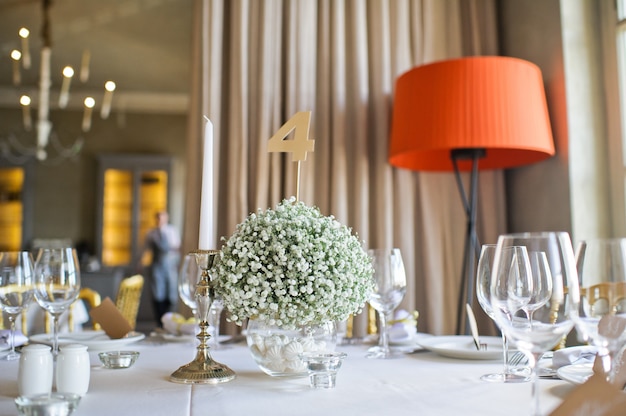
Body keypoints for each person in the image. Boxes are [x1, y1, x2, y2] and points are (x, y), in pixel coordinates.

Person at [142, 211, 181, 327]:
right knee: (157, 293)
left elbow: (177, 248)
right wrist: (140, 264)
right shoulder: (151, 233)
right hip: (157, 266)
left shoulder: (172, 231)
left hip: (170, 266)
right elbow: (145, 249)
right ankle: (159, 321)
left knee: (171, 293)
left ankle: (169, 320)